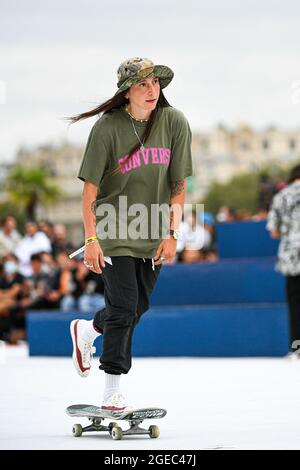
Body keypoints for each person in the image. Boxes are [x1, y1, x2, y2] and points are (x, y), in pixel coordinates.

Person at [66, 57, 193, 413]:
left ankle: (88, 330)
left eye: (155, 83)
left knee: (137, 307)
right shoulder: (107, 128)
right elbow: (89, 191)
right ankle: (112, 391)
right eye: (142, 84)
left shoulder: (174, 122)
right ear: (126, 92)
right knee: (123, 307)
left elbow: (178, 185)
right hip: (112, 230)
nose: (151, 90)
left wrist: (172, 233)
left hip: (152, 231)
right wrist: (91, 239)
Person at [266, 164, 300, 354]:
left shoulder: (281, 197)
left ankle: (297, 348)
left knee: (295, 303)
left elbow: (273, 231)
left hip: (291, 256)